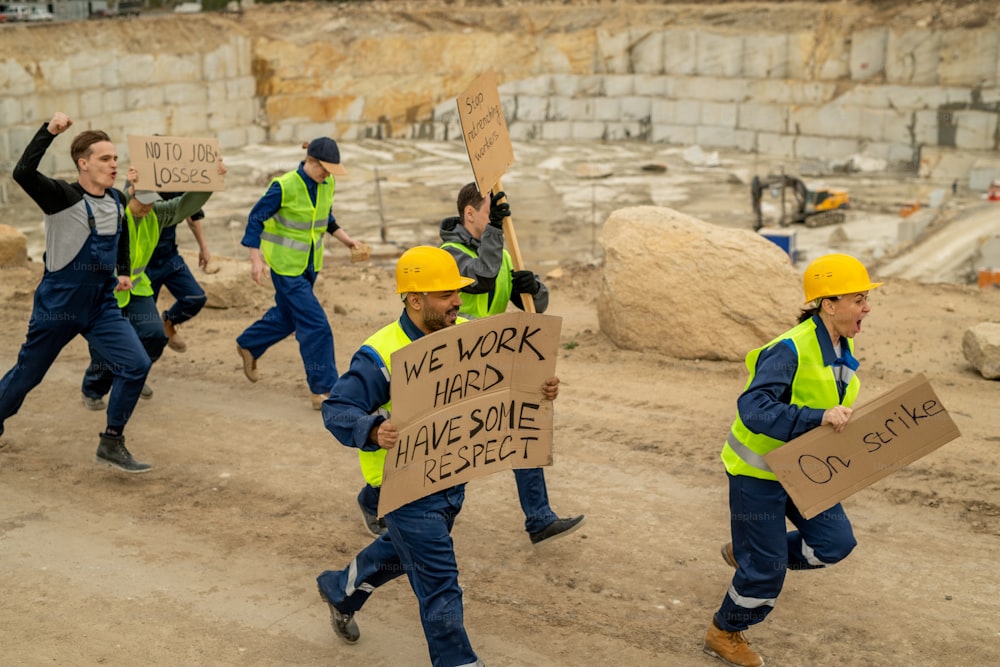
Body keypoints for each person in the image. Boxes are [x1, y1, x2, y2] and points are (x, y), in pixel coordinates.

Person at [316, 245, 560, 667]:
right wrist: (372, 429)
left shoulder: (466, 335)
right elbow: (338, 409)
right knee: (440, 584)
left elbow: (508, 378)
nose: (457, 301)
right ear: (415, 300)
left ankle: (340, 589)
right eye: (447, 294)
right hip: (403, 490)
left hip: (449, 479)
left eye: (457, 292)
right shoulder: (381, 353)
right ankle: (458, 661)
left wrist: (540, 386)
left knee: (399, 554)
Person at [703, 253, 883, 667]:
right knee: (766, 574)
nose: (867, 307)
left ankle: (747, 553)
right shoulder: (789, 349)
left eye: (865, 299)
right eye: (859, 299)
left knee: (835, 543)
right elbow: (753, 409)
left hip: (803, 470)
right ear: (828, 304)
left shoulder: (842, 342)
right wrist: (817, 417)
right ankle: (724, 631)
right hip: (758, 475)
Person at [418, 182, 583, 545]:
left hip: (494, 360)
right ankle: (377, 499)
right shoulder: (448, 254)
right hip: (457, 366)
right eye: (490, 211)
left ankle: (539, 518)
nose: (497, 218)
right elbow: (481, 278)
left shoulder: (503, 253)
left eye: (497, 213)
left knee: (521, 426)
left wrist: (534, 286)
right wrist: (496, 232)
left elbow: (534, 306)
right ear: (470, 213)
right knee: (445, 443)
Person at [0, 111, 152, 473]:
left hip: (101, 304)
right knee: (28, 375)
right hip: (59, 304)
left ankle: (112, 441)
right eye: (105, 158)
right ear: (83, 164)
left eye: (115, 158)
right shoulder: (61, 197)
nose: (114, 164)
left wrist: (125, 271)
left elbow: (123, 235)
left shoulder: (116, 199)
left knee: (137, 364)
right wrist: (48, 132)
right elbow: (22, 173)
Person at [80, 165, 222, 410]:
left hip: (137, 287)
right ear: (129, 196)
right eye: (141, 201)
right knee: (105, 346)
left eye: (151, 201)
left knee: (154, 335)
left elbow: (184, 206)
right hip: (105, 290)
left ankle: (132, 373)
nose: (147, 207)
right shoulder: (112, 211)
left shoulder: (156, 213)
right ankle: (93, 388)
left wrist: (211, 179)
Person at [235, 137, 362, 410]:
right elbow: (255, 219)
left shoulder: (327, 183)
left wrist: (347, 240)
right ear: (311, 161)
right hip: (285, 268)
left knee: (289, 316)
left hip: (309, 266)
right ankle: (324, 390)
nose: (327, 174)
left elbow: (326, 219)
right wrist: (255, 259)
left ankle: (249, 344)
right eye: (324, 168)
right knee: (316, 324)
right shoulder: (284, 186)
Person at [148, 190, 213, 354]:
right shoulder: (142, 179)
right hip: (144, 263)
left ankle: (168, 322)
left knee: (196, 298)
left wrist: (203, 247)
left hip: (170, 256)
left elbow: (192, 215)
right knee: (146, 328)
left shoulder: (178, 181)